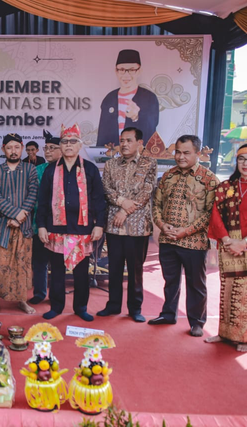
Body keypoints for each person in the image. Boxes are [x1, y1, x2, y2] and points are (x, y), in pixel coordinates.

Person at [149, 135, 219, 337]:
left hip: (194, 241)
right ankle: (168, 313)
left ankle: (197, 322)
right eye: (178, 152)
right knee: (170, 280)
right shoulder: (168, 176)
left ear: (197, 154)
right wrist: (162, 225)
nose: (180, 156)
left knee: (195, 283)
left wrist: (185, 231)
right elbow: (157, 205)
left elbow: (210, 213)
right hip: (168, 239)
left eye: (186, 153)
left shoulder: (209, 179)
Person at [37, 124, 106, 322]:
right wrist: (41, 225)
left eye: (72, 142)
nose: (68, 145)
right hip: (56, 229)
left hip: (82, 229)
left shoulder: (90, 169)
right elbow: (42, 201)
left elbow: (99, 200)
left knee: (81, 273)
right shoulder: (51, 170)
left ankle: (81, 307)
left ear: (79, 145)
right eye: (64, 142)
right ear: (60, 145)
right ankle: (56, 307)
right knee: (57, 272)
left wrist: (99, 224)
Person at [98, 127, 157, 323]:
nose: (124, 144)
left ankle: (135, 308)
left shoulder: (149, 163)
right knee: (114, 268)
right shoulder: (111, 165)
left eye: (129, 140)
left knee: (135, 270)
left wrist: (125, 210)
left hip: (137, 226)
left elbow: (146, 191)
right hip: (114, 225)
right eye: (122, 140)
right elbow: (106, 189)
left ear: (139, 143)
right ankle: (113, 305)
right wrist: (121, 203)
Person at [0, 133, 38, 315]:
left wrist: (19, 217)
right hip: (2, 227)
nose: (13, 151)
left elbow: (33, 194)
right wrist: (14, 213)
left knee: (22, 265)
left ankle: (22, 300)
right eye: (9, 147)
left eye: (17, 147)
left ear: (22, 147)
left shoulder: (30, 170)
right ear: (3, 149)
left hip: (23, 227)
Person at [207, 143, 247, 352]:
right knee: (227, 291)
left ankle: (244, 337)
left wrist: (243, 244)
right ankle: (225, 333)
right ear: (236, 161)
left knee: (245, 294)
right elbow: (215, 215)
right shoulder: (226, 187)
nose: (245, 163)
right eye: (242, 158)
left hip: (245, 245)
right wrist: (226, 239)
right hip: (228, 245)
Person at [96, 49, 159, 147]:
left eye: (132, 70)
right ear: (116, 71)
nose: (126, 75)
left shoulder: (149, 98)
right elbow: (102, 134)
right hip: (113, 157)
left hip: (138, 157)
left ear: (139, 71)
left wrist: (136, 117)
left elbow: (151, 131)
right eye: (121, 70)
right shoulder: (109, 99)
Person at [29, 130, 62, 305]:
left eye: (52, 148)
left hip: (60, 225)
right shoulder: (37, 170)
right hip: (39, 224)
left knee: (57, 263)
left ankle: (56, 296)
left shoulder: (67, 169)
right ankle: (39, 293)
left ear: (62, 150)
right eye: (46, 148)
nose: (48, 151)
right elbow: (33, 197)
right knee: (39, 261)